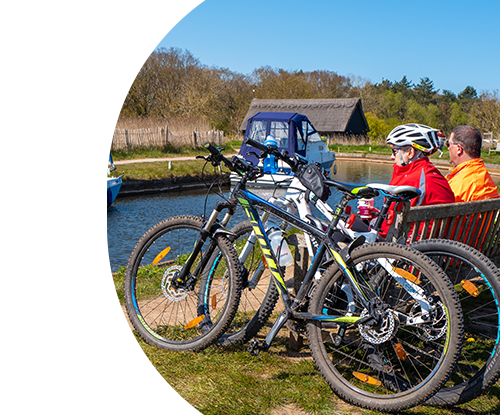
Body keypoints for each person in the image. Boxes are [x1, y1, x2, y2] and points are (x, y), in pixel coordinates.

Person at [365, 124, 456, 239]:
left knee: (341, 232)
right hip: (430, 245)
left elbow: (386, 231)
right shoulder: (433, 174)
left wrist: (371, 223)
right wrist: (378, 215)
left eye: (394, 151)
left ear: (410, 152)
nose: (391, 157)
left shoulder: (411, 178)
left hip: (404, 247)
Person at [445, 125, 499, 202]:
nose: (448, 148)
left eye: (449, 144)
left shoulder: (459, 184)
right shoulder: (484, 176)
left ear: (459, 149)